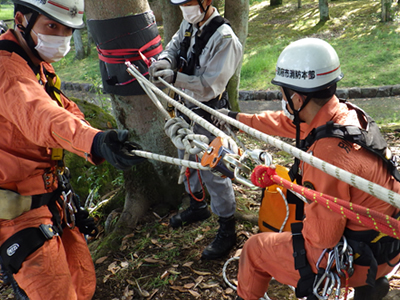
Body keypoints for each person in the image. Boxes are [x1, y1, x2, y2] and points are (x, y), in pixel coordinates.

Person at [218, 38, 400, 300]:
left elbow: (323, 238)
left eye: (283, 92)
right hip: (385, 245)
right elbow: (287, 123)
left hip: (357, 259)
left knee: (255, 249)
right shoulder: (345, 115)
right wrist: (236, 120)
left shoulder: (327, 157)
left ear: (298, 97)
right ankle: (368, 287)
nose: (283, 98)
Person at [0, 1, 145, 299]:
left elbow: (62, 108)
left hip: (53, 199)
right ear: (20, 20)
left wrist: (98, 138)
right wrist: (91, 141)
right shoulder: (8, 71)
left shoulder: (35, 61)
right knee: (53, 292)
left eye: (67, 29)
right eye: (52, 26)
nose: (61, 36)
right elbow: (41, 116)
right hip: (18, 212)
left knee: (81, 280)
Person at [148, 0, 243, 260]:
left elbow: (209, 86)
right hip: (184, 109)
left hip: (209, 115)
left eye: (189, 3)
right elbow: (174, 45)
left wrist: (174, 78)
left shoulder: (225, 40)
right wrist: (165, 62)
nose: (185, 9)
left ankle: (227, 227)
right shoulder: (189, 24)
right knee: (185, 159)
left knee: (214, 170)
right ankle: (198, 205)